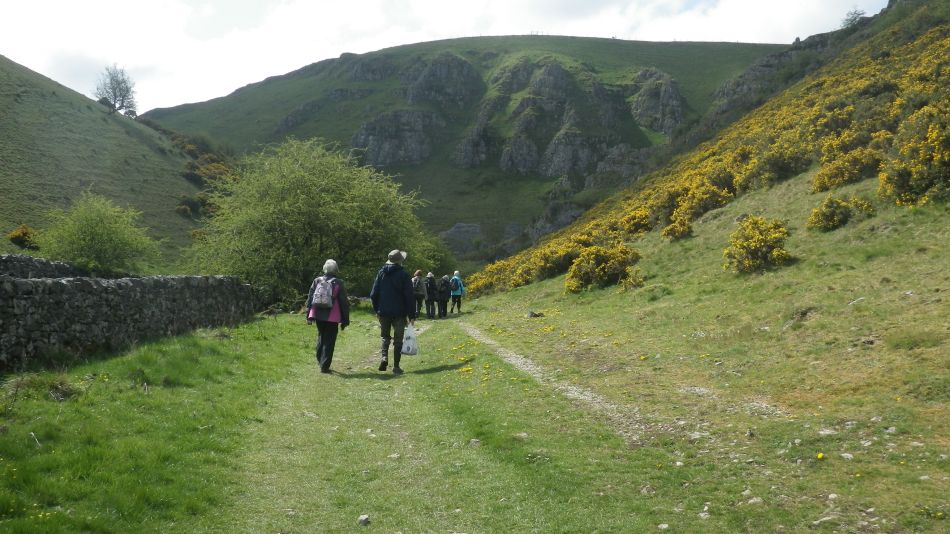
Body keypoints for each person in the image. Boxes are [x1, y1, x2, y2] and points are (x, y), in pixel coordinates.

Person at [369, 250, 416, 374]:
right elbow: (409, 296)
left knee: (385, 336)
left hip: (383, 311)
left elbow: (373, 294)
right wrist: (411, 315)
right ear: (400, 261)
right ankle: (396, 366)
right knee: (398, 339)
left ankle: (384, 357)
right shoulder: (404, 275)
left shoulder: (381, 273)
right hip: (399, 313)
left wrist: (377, 310)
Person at [305, 259, 350, 374]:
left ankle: (320, 360)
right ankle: (324, 366)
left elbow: (310, 298)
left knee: (321, 336)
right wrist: (345, 319)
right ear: (336, 270)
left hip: (317, 313)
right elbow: (343, 302)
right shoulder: (338, 283)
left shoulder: (317, 280)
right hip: (332, 316)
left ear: (325, 268)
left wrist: (308, 314)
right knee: (329, 340)